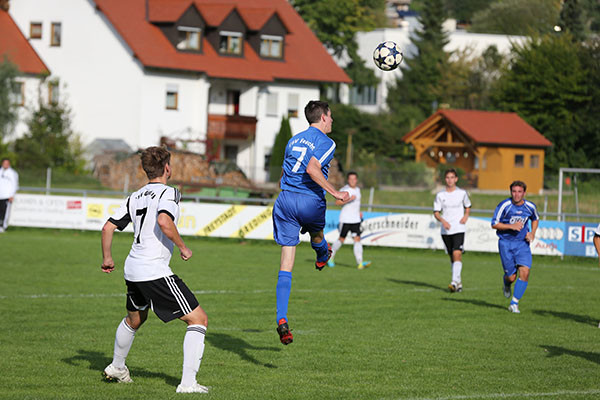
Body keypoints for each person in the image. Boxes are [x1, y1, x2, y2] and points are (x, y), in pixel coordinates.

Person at [100, 146, 209, 393]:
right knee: (198, 319)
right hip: (153, 270)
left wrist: (107, 258)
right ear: (167, 168)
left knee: (135, 318)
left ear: (145, 169)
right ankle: (188, 384)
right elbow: (163, 220)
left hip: (133, 268)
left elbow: (108, 228)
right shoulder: (169, 193)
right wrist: (183, 247)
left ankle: (117, 367)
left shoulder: (135, 196)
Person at [272, 100, 349, 345]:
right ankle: (322, 254)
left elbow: (285, 173)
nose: (332, 121)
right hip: (309, 200)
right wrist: (335, 193)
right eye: (331, 116)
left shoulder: (293, 140)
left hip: (284, 200)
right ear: (324, 117)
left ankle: (282, 319)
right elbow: (313, 169)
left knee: (286, 262)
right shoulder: (327, 142)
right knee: (317, 234)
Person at [491, 180, 539, 314]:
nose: (516, 195)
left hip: (522, 244)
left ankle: (514, 303)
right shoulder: (504, 205)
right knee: (511, 277)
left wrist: (532, 233)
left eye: (519, 192)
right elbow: (494, 223)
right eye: (514, 191)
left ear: (524, 192)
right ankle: (506, 283)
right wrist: (511, 226)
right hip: (506, 244)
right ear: (510, 192)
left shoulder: (530, 206)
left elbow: (535, 218)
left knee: (525, 272)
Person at [433, 168, 471, 292]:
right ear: (445, 179)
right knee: (452, 257)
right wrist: (443, 221)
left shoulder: (462, 193)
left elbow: (467, 206)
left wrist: (465, 216)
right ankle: (458, 282)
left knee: (457, 253)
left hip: (459, 228)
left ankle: (454, 282)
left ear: (456, 179)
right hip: (446, 230)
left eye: (452, 177)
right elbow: (436, 213)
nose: (450, 180)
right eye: (448, 177)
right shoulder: (440, 195)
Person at [328, 171, 371, 270]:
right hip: (346, 219)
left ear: (356, 180)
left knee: (357, 239)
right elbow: (337, 202)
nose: (352, 181)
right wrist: (349, 199)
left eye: (354, 179)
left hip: (355, 219)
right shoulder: (345, 190)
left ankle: (360, 263)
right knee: (341, 239)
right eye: (350, 179)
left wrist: (358, 212)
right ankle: (330, 257)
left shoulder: (358, 190)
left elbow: (356, 204)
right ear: (348, 180)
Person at [0, 158, 19, 233]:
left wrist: (12, 195)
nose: (5, 165)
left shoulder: (12, 173)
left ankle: (2, 226)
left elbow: (15, 185)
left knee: (4, 212)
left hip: (7, 196)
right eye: (4, 163)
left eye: (7, 163)